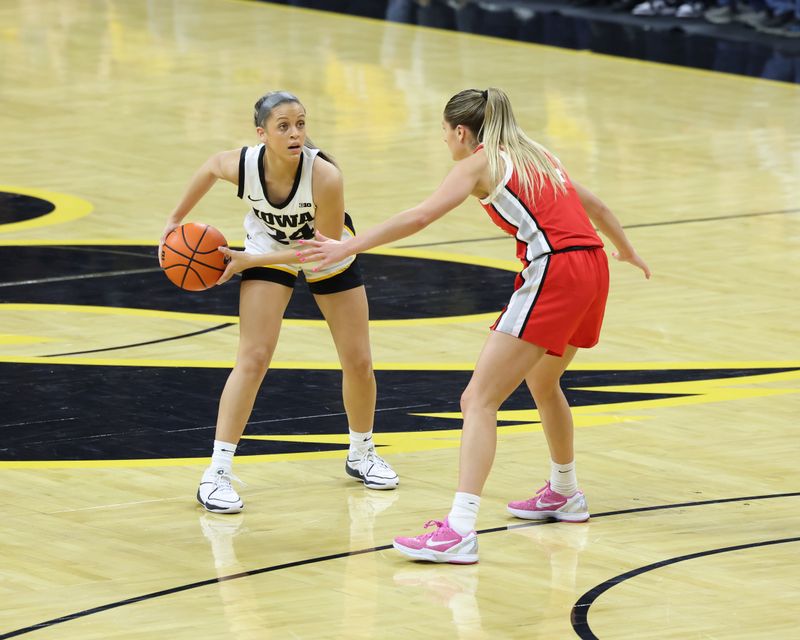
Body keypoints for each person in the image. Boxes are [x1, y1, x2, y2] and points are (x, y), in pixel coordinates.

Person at [297, 87, 650, 564]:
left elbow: (420, 215)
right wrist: (624, 249)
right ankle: (565, 492)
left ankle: (459, 529)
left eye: (445, 133)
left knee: (477, 400)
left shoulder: (478, 164)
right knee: (544, 381)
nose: (445, 142)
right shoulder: (537, 154)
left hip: (557, 271)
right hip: (592, 267)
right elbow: (597, 206)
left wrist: (346, 246)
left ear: (461, 131)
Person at [160, 90, 399, 514]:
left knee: (359, 361)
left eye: (301, 124)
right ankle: (216, 473)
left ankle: (362, 453)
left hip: (327, 252)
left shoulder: (325, 176)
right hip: (267, 245)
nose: (295, 133)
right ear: (262, 134)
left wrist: (251, 260)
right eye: (284, 126)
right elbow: (210, 166)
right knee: (252, 357)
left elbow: (316, 249)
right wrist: (174, 220)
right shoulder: (244, 163)